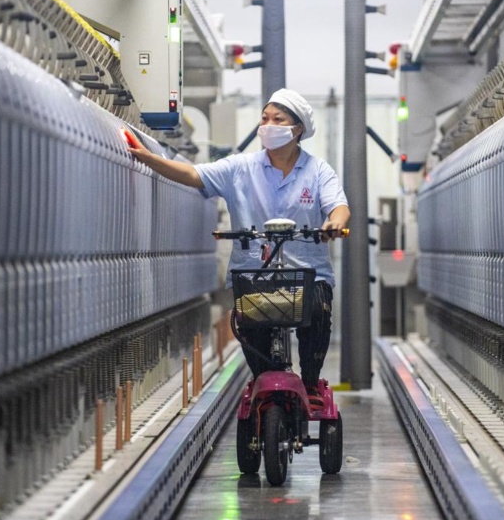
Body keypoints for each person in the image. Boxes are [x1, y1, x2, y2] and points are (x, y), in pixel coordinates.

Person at [128, 89, 350, 406]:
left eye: (278, 119)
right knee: (250, 325)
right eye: (264, 118)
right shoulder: (240, 168)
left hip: (307, 275)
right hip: (254, 274)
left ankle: (311, 381)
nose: (267, 125)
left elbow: (338, 207)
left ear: (296, 129)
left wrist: (333, 224)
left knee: (316, 313)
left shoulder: (318, 171)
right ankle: (264, 381)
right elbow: (193, 174)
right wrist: (149, 159)